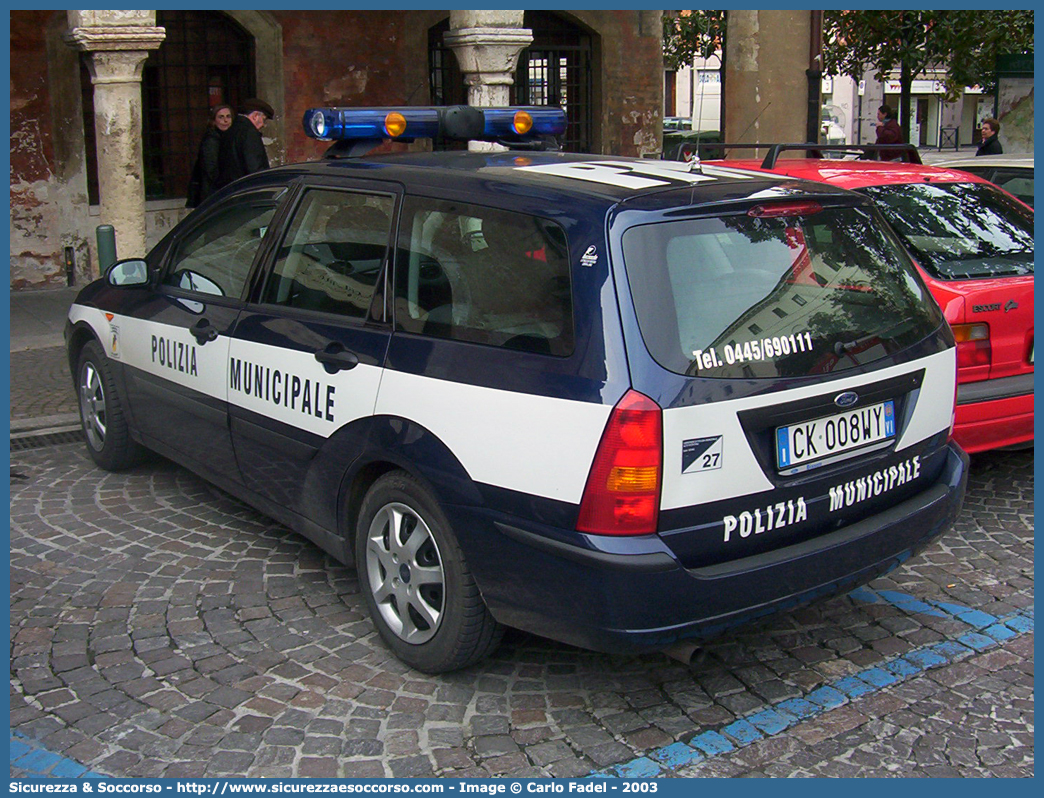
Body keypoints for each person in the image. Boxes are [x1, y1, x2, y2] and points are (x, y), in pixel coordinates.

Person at [217, 98, 274, 189]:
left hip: (231, 189)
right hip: (246, 190)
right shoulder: (249, 132)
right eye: (264, 119)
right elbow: (255, 169)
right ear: (255, 116)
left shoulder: (232, 129)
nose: (263, 124)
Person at [186, 104, 233, 208]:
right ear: (213, 120)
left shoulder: (227, 137)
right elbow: (210, 169)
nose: (225, 121)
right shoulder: (212, 139)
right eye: (221, 117)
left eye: (228, 116)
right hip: (213, 193)